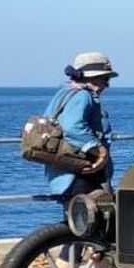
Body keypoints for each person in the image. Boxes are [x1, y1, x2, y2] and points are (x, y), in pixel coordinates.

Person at [45, 52, 117, 204]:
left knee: (74, 214)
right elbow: (72, 127)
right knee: (94, 215)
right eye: (105, 79)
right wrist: (100, 151)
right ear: (92, 77)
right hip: (81, 174)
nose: (107, 85)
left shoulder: (64, 93)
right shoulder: (83, 96)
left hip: (65, 172)